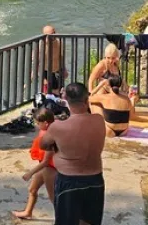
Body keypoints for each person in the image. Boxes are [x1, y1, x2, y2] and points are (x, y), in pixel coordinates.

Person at [41, 83, 106, 225]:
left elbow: (44, 144)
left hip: (69, 181)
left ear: (65, 99)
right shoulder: (99, 121)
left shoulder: (58, 127)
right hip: (95, 179)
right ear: (86, 100)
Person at [12, 108, 57, 220]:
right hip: (45, 167)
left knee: (54, 198)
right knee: (33, 189)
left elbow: (46, 160)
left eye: (38, 123)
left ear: (46, 123)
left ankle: (64, 220)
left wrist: (30, 173)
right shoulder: (49, 129)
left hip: (50, 169)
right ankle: (28, 212)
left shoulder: (50, 137)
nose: (37, 126)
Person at [42, 25, 66, 95]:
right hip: (46, 71)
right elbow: (37, 62)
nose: (54, 36)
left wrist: (64, 69)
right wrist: (43, 78)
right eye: (51, 34)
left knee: (60, 90)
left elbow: (61, 56)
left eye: (54, 33)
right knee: (50, 92)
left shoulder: (59, 42)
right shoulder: (41, 45)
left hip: (58, 69)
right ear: (45, 36)